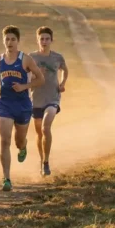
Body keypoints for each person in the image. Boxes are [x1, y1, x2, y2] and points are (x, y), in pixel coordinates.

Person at [0, 25, 45, 192]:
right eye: (7, 39)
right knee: (5, 141)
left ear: (18, 41)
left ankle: (23, 146)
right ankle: (6, 178)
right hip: (5, 104)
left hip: (23, 105)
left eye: (13, 39)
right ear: (3, 41)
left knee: (19, 140)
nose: (10, 42)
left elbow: (40, 79)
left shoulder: (25, 59)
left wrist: (24, 86)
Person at [29, 27, 68, 177]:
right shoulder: (31, 57)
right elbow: (25, 76)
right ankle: (42, 160)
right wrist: (34, 77)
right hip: (36, 99)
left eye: (47, 39)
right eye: (42, 39)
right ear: (37, 40)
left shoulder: (57, 57)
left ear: (51, 40)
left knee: (46, 128)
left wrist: (62, 83)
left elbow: (65, 70)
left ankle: (46, 162)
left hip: (53, 98)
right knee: (39, 133)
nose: (44, 41)